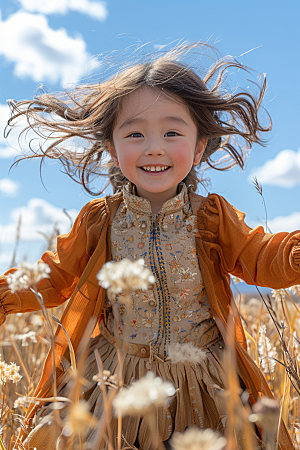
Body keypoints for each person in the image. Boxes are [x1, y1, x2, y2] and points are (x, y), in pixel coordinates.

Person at [1, 43, 299, 450]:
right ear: (112, 147)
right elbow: (55, 276)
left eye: (172, 132)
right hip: (113, 376)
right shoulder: (100, 219)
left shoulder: (211, 217)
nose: (153, 147)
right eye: (135, 133)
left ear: (198, 148)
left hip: (200, 379)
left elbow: (261, 256)